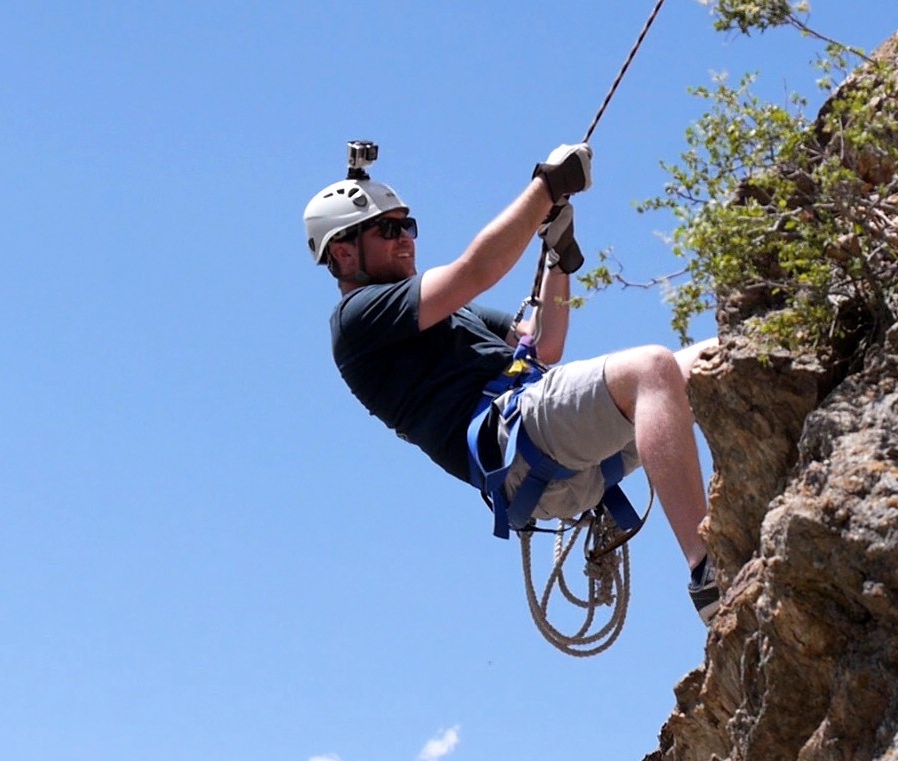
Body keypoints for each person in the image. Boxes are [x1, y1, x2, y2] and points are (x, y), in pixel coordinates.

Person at [303, 142, 721, 623]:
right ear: (342, 251)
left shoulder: (444, 314)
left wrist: (558, 260)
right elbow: (475, 271)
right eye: (388, 229)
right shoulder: (358, 319)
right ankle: (707, 570)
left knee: (715, 360)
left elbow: (544, 345)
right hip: (517, 445)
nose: (406, 239)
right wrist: (546, 187)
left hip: (548, 453)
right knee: (651, 368)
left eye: (408, 226)